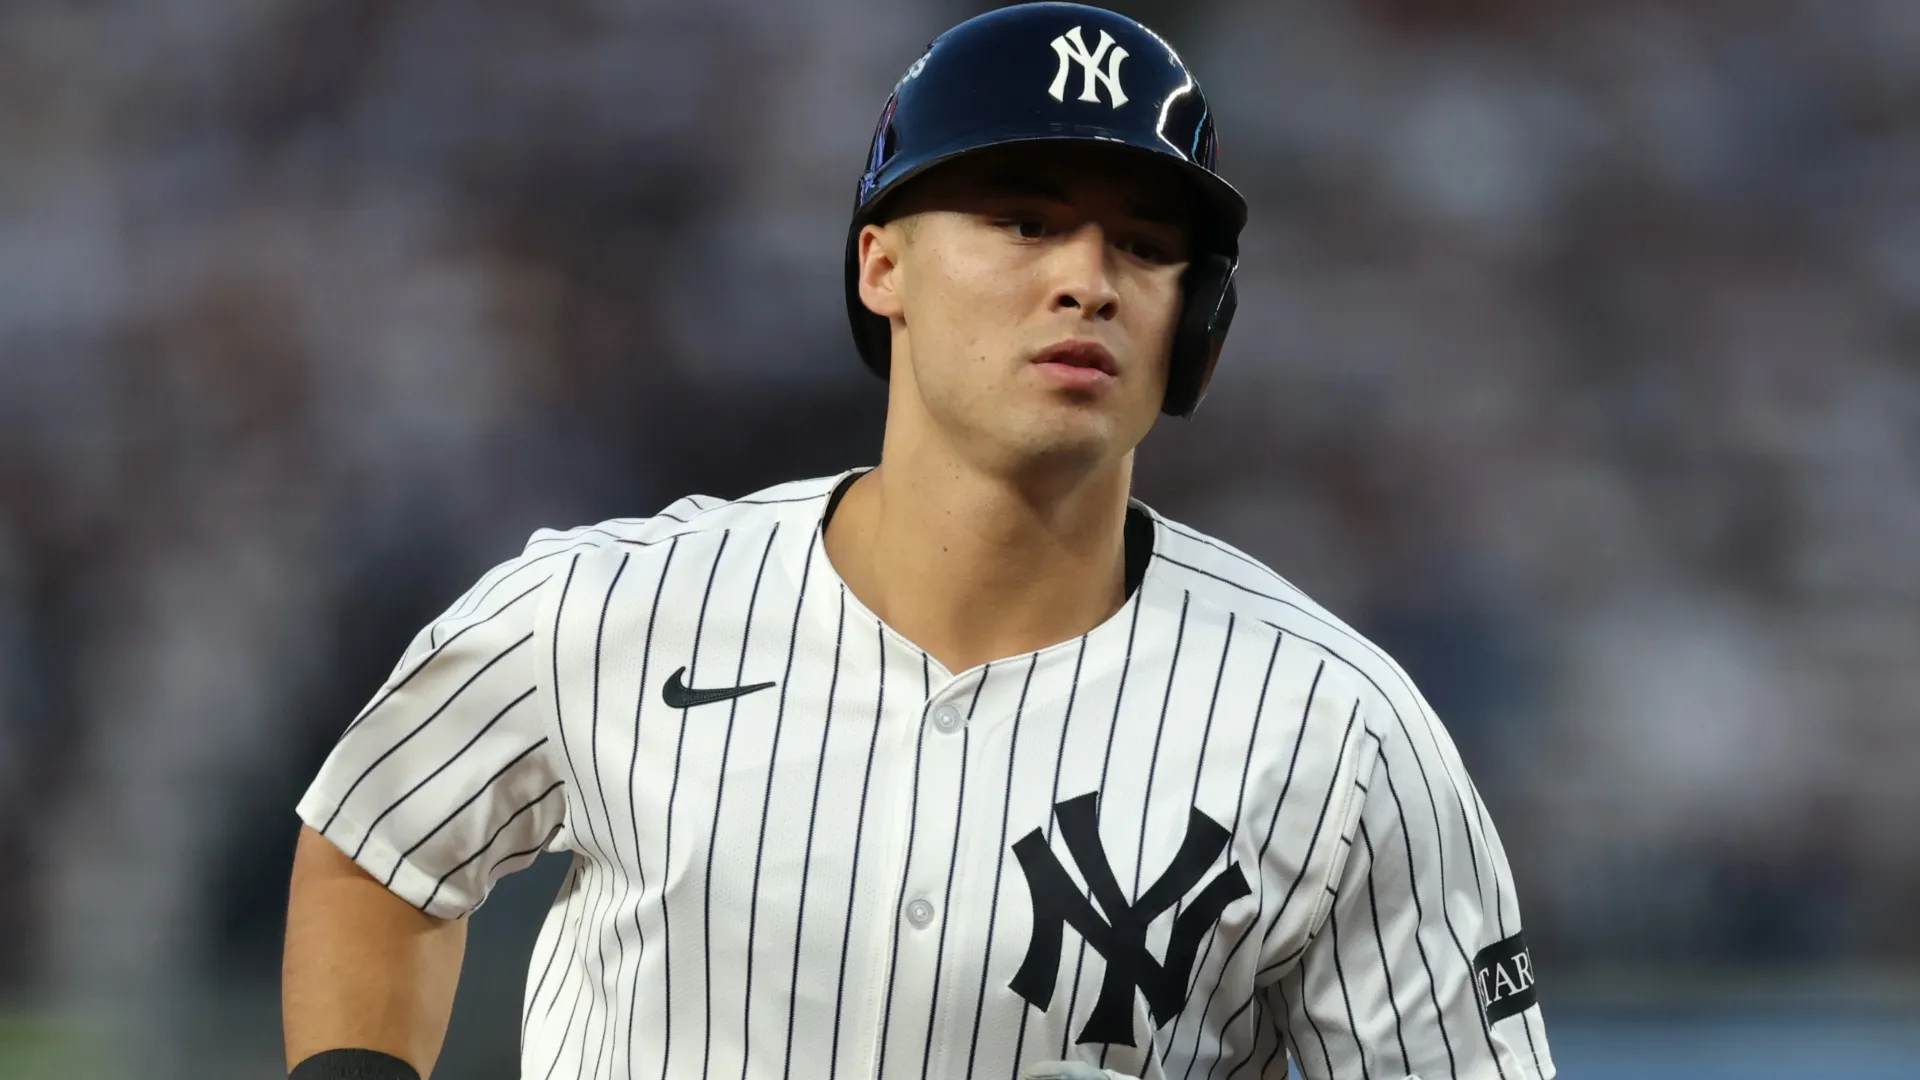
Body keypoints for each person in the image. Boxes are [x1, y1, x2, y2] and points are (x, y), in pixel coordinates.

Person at [281, 5, 1555, 1079]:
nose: (1088, 280)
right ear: (881, 264)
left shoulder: (1339, 736)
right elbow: (374, 851)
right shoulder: (610, 609)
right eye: (1022, 221)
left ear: (1195, 323)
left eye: (1149, 246)